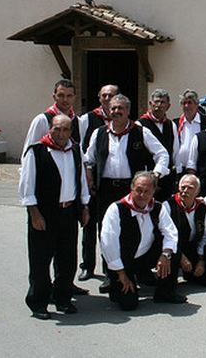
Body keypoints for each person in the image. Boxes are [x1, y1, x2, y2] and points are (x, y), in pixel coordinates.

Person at [84, 94, 170, 292]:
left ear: (128, 111)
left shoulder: (141, 131)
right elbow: (88, 158)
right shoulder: (99, 133)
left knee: (138, 229)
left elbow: (162, 154)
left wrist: (156, 174)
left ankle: (140, 270)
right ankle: (110, 273)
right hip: (106, 188)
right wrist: (89, 175)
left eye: (120, 108)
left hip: (133, 189)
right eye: (113, 108)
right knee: (106, 231)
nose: (116, 112)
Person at [19, 114, 90, 319]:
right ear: (49, 129)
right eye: (56, 129)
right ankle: (38, 302)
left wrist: (84, 206)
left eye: (65, 130)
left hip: (68, 212)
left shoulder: (75, 150)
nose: (61, 134)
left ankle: (63, 299)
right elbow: (27, 186)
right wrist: (34, 214)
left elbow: (81, 181)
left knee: (67, 259)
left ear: (70, 132)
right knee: (40, 260)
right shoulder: (37, 151)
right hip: (44, 214)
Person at [99, 172, 184, 310]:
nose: (142, 195)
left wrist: (165, 254)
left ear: (153, 193)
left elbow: (171, 232)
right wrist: (121, 274)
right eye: (138, 190)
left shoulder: (157, 207)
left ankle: (165, 292)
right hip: (123, 262)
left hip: (145, 255)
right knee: (128, 304)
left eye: (147, 192)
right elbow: (108, 243)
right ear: (131, 188)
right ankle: (117, 284)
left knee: (173, 251)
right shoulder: (116, 209)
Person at [77, 84, 118, 282]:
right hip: (91, 180)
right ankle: (87, 265)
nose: (108, 98)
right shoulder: (87, 119)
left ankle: (108, 267)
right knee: (89, 225)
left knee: (107, 228)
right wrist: (87, 177)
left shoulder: (122, 119)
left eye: (112, 95)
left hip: (109, 184)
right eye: (104, 95)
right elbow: (83, 151)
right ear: (99, 98)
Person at [162, 174, 206, 284]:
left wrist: (201, 260)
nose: (185, 191)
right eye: (183, 187)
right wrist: (181, 258)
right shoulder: (168, 206)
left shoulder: (202, 208)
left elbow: (204, 236)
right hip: (173, 248)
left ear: (197, 191)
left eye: (190, 188)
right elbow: (164, 235)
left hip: (191, 247)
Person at [138, 88, 179, 201]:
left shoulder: (171, 125)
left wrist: (177, 174)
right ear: (150, 104)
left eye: (162, 102)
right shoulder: (140, 125)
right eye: (156, 102)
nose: (159, 105)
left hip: (167, 178)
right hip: (148, 177)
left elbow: (175, 151)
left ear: (168, 106)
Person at [23, 79, 82, 152]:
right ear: (54, 97)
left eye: (69, 96)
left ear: (74, 98)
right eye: (61, 95)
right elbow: (29, 151)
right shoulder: (42, 120)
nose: (65, 100)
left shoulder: (79, 121)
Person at [176, 89, 206, 175]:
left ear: (197, 104)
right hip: (181, 169)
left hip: (200, 168)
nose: (186, 106)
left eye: (189, 103)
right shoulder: (176, 123)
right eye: (183, 103)